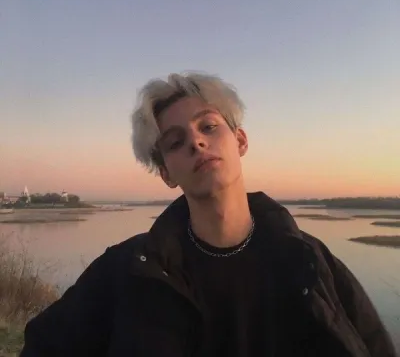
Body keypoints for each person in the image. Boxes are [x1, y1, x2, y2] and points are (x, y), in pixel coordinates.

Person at [21, 72, 397, 357]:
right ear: (166, 173)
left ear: (240, 140)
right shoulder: (128, 271)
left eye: (209, 126)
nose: (197, 142)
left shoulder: (311, 263)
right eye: (176, 142)